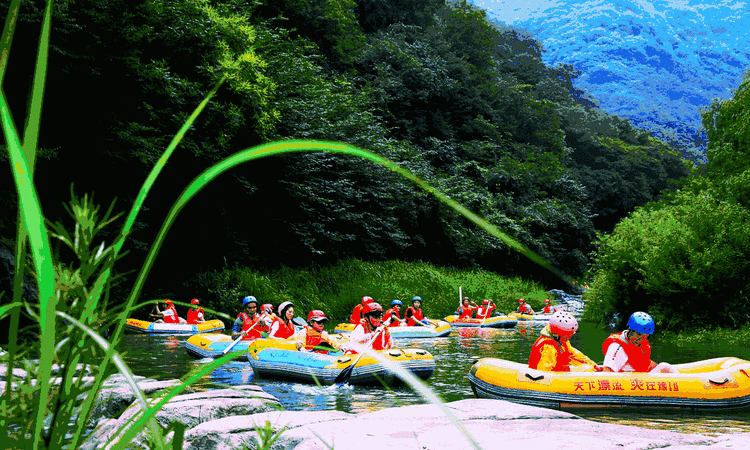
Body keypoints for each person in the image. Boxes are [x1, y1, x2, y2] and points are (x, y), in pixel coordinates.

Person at [600, 311, 677, 373]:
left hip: (641, 375)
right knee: (664, 366)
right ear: (630, 330)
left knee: (664, 367)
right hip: (631, 382)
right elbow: (607, 371)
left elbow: (643, 365)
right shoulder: (616, 346)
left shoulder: (640, 343)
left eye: (645, 336)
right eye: (638, 334)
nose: (641, 339)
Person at [528, 311, 601, 372]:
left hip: (559, 372)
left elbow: (573, 354)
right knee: (588, 370)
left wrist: (592, 364)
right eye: (566, 336)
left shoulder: (561, 339)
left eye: (570, 335)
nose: (568, 338)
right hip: (548, 377)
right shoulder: (548, 347)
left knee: (589, 368)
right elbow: (545, 371)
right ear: (555, 334)